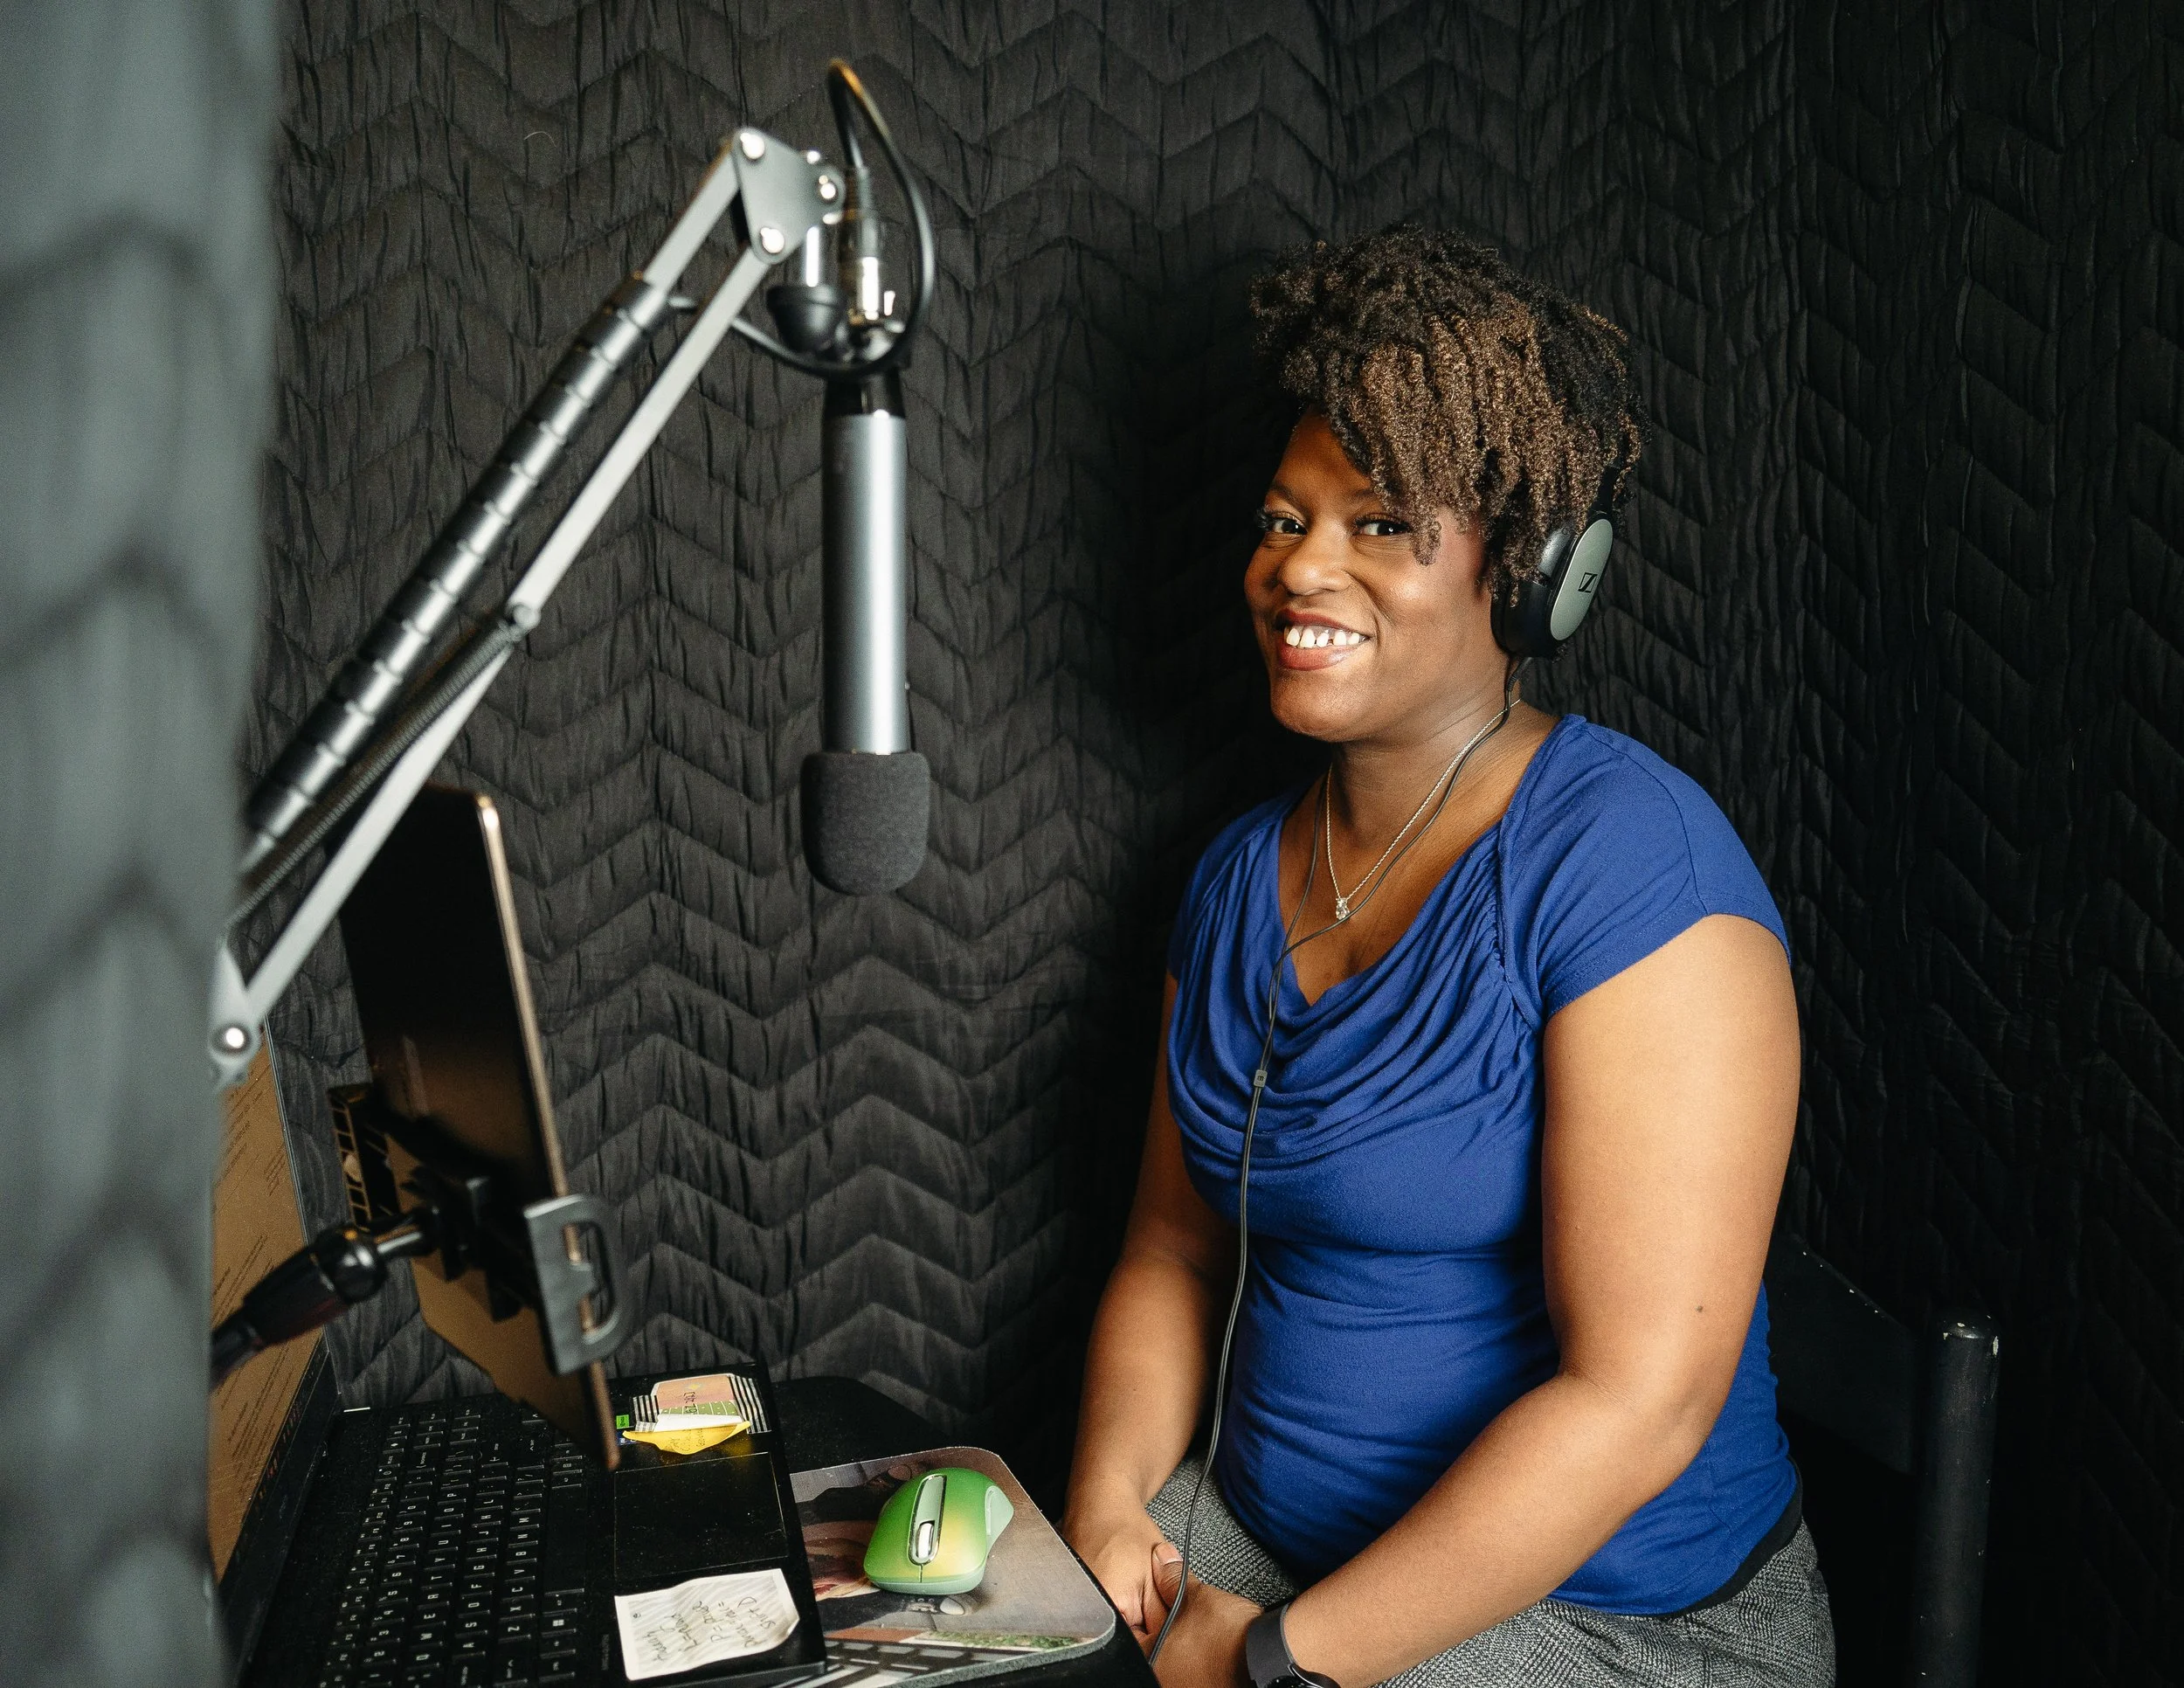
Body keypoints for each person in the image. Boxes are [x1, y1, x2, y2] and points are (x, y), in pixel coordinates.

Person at [1059, 227, 1834, 1688]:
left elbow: (1638, 1405)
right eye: (1285, 521)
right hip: (1263, 1547)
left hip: (1613, 1626)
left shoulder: (1633, 871)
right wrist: (1108, 1511)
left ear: (1534, 577)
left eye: (1383, 526)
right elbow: (1169, 1253)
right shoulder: (1236, 879)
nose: (1305, 570)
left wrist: (1273, 1661)